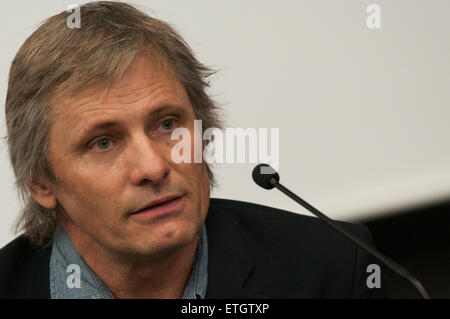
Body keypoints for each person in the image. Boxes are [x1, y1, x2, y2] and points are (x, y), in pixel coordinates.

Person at [0, 1, 388, 299]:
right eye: (103, 142)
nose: (153, 166)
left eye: (168, 124)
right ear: (41, 183)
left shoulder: (331, 270)